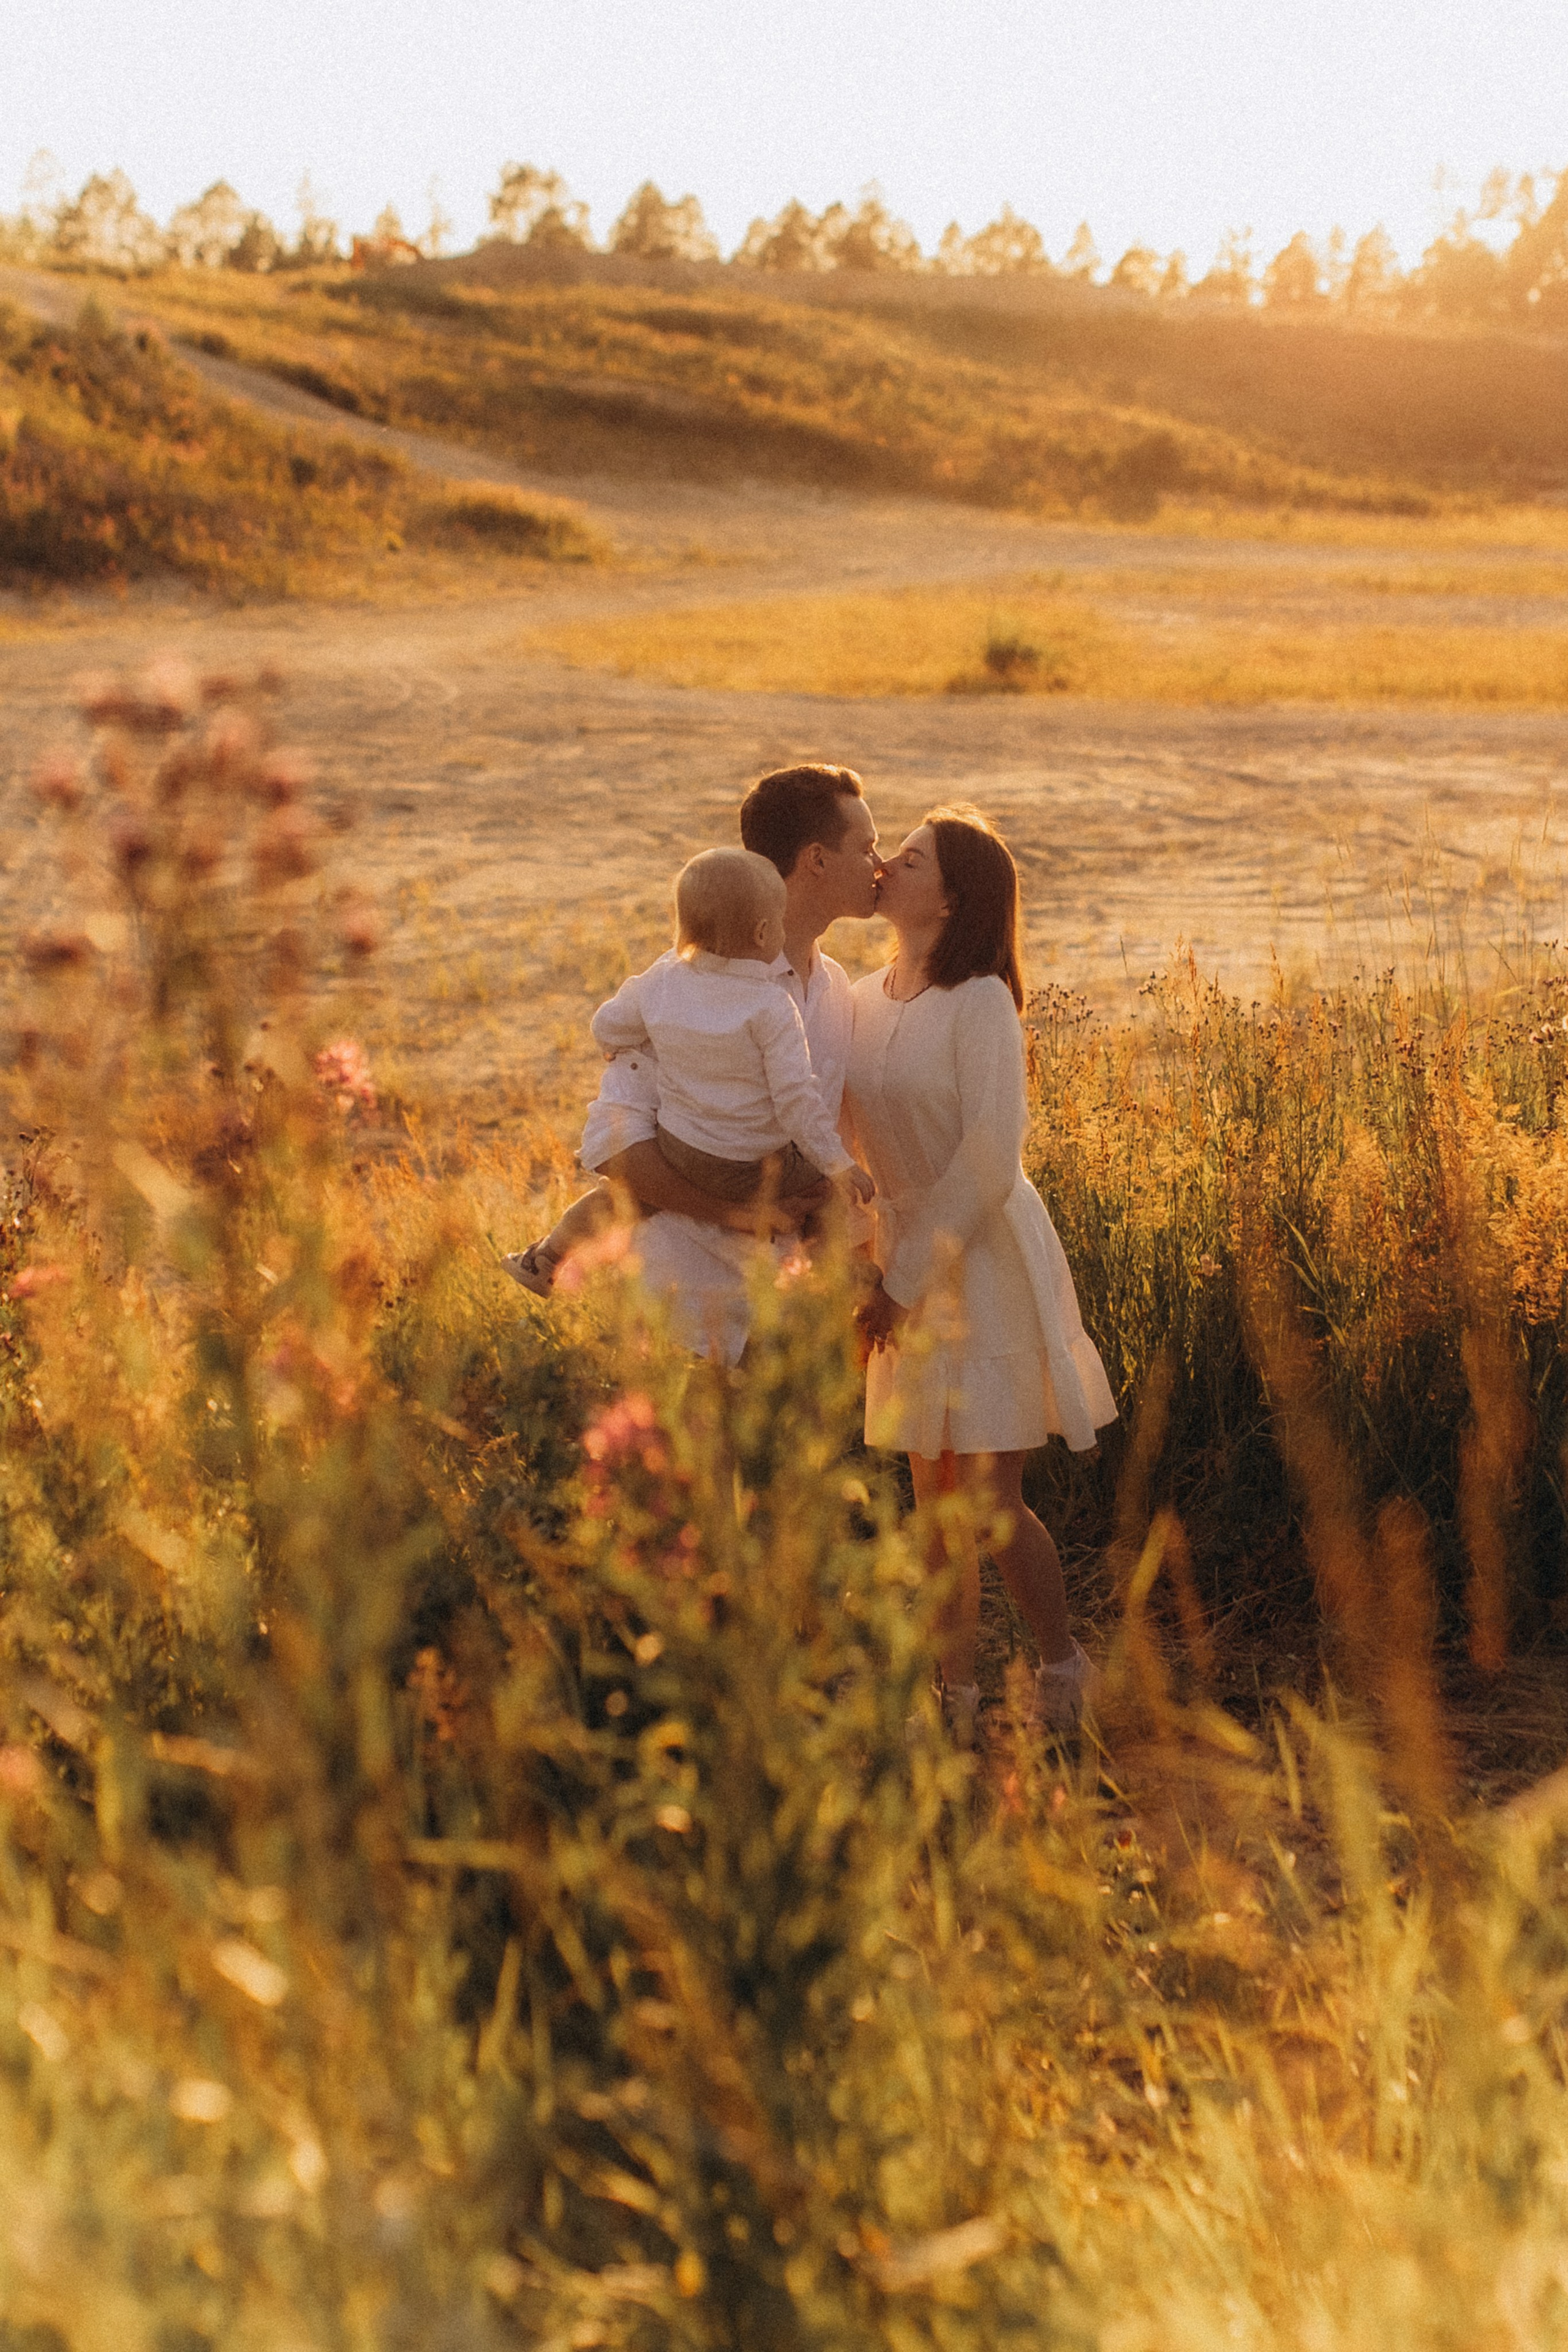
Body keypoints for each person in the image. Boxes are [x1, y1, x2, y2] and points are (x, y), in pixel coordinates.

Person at [848, 807, 1116, 1738]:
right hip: (896, 1256)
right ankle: (952, 1698)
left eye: (909, 857)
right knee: (933, 1500)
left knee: (990, 1498)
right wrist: (860, 1265)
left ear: (950, 895)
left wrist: (907, 1278)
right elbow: (841, 1142)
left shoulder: (981, 1002)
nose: (885, 863)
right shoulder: (861, 994)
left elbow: (990, 1157)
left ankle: (1063, 1666)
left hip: (983, 1253)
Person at [506, 766, 881, 1357]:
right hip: (681, 1303)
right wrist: (733, 1213)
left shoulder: (836, 990)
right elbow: (618, 1142)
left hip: (781, 1308)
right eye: (867, 848)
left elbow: (824, 1141)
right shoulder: (683, 989)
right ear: (816, 860)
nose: (879, 865)